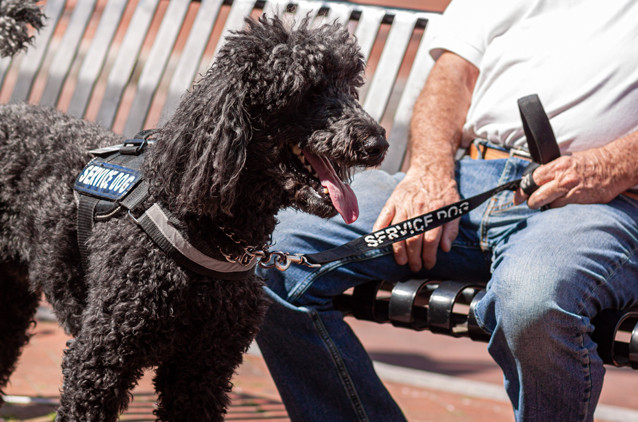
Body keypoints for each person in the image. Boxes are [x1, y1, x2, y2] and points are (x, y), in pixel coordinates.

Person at [255, 0, 638, 421]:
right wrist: (431, 172)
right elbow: (451, 75)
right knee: (270, 250)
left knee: (532, 301)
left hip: (600, 200)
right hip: (470, 177)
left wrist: (615, 165)